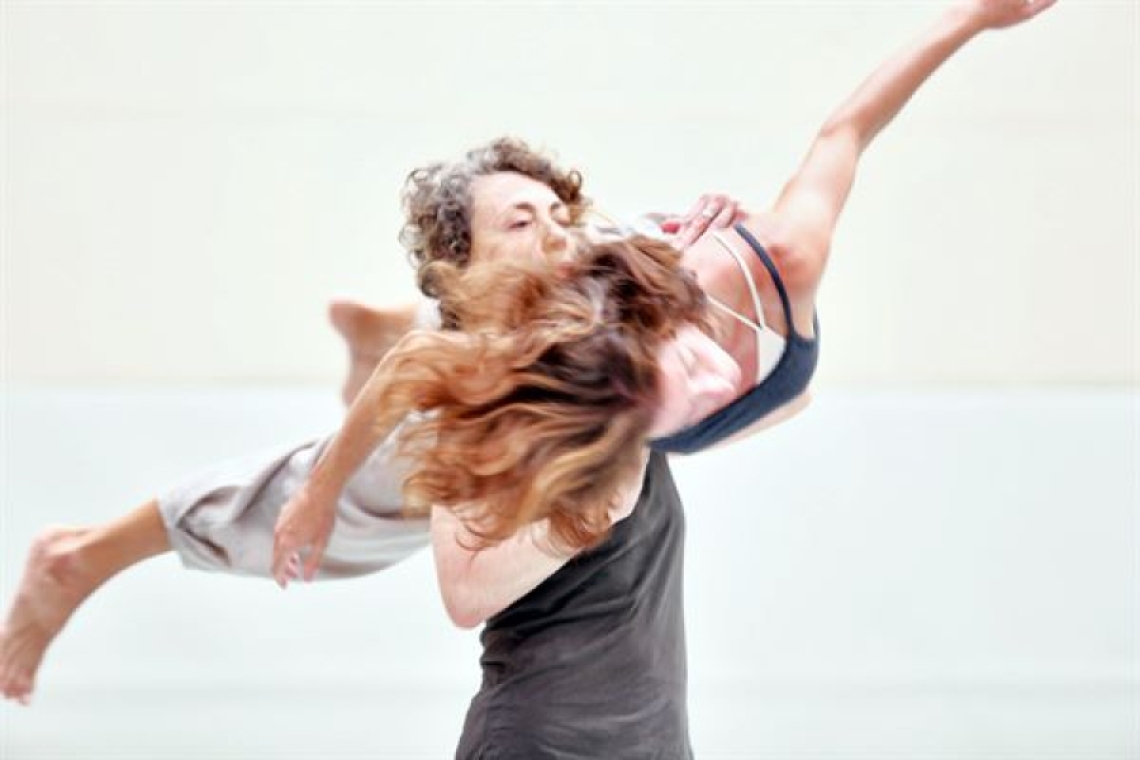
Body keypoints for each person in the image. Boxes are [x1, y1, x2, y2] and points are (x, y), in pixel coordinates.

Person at [267, 2, 1057, 756]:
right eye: (519, 221)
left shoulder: (644, 323)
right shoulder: (486, 389)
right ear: (466, 262)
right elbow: (465, 594)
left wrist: (970, 16)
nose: (553, 231)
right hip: (536, 741)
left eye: (557, 214)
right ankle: (374, 324)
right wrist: (317, 495)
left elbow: (844, 133)